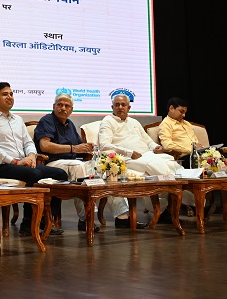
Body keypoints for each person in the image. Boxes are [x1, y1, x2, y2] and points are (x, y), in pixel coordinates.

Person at [0, 82, 68, 236]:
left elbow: (28, 142)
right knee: (35, 174)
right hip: (1, 165)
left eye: (11, 94)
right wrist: (15, 161)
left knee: (60, 174)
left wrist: (31, 156)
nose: (10, 97)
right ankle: (28, 222)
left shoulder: (17, 119)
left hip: (22, 163)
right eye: (5, 94)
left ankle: (46, 220)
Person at [99, 93, 183, 226]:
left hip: (145, 154)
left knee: (168, 161)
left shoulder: (134, 122)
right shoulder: (108, 121)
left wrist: (155, 147)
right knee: (155, 165)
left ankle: (166, 209)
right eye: (117, 105)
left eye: (123, 105)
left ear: (129, 107)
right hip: (126, 158)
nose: (120, 107)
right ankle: (131, 217)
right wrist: (129, 152)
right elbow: (104, 145)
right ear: (112, 107)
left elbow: (147, 140)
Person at [33, 93, 101, 232]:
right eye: (60, 105)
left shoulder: (70, 124)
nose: (63, 108)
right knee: (79, 167)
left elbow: (79, 147)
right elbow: (44, 146)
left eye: (66, 106)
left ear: (71, 110)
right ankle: (86, 218)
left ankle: (99, 213)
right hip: (52, 163)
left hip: (71, 162)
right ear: (54, 106)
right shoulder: (47, 121)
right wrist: (73, 148)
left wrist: (87, 148)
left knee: (97, 167)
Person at [158, 97, 203, 167]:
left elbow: (195, 141)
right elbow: (167, 145)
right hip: (183, 158)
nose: (184, 115)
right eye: (181, 112)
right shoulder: (165, 124)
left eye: (185, 113)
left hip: (196, 154)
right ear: (171, 108)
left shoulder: (187, 123)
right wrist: (191, 150)